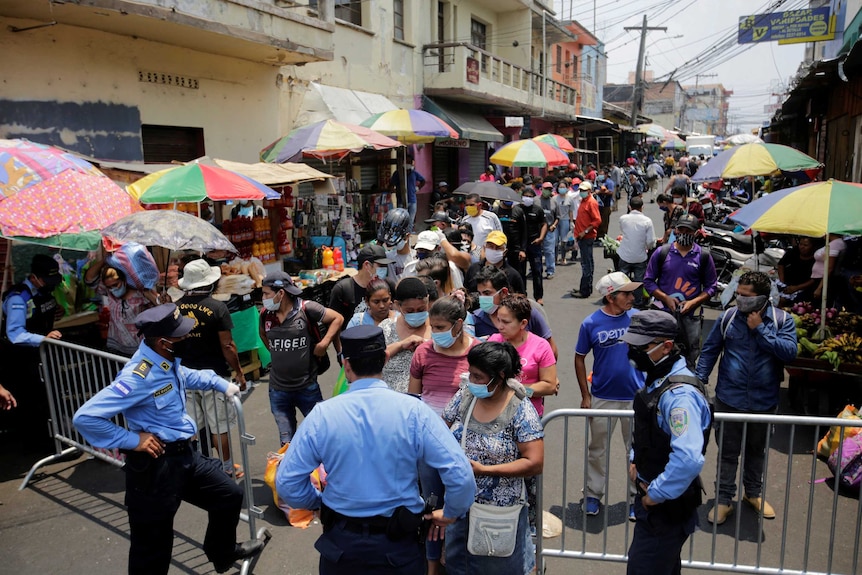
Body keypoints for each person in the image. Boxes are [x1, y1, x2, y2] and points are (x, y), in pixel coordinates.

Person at [72, 304, 262, 575]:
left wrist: (220, 383)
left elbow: (184, 375)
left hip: (185, 456)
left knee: (228, 494)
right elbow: (85, 417)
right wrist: (130, 439)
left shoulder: (167, 360)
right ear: (163, 342)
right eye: (180, 336)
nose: (186, 339)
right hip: (155, 467)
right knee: (153, 546)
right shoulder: (138, 376)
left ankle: (222, 553)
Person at [275, 325, 476, 575]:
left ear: (346, 365)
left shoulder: (322, 416)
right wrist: (450, 512)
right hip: (399, 548)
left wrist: (317, 502)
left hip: (341, 546)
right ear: (385, 358)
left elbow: (286, 482)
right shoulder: (414, 411)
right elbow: (461, 474)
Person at [697, 271, 797, 525]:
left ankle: (753, 494)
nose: (740, 300)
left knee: (756, 450)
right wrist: (699, 382)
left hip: (764, 402)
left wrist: (761, 329)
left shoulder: (782, 320)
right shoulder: (728, 318)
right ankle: (723, 500)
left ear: (763, 298)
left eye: (747, 296)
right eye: (738, 294)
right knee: (728, 452)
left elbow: (789, 353)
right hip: (729, 400)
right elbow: (709, 351)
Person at [442, 341, 544, 575]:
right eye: (471, 373)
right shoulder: (465, 395)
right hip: (460, 506)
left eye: (478, 376)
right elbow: (441, 428)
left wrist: (485, 470)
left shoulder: (520, 409)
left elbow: (535, 461)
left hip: (498, 516)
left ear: (498, 376)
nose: (472, 381)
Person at [622, 310, 712, 575]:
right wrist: (634, 460)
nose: (633, 351)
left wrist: (655, 495)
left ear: (667, 347)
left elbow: (689, 458)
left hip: (664, 509)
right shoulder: (659, 379)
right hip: (659, 503)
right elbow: (649, 431)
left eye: (641, 346)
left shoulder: (680, 397)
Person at [408, 295, 477, 573]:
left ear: (459, 324)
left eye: (440, 327)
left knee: (462, 509)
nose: (434, 333)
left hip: (467, 447)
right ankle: (433, 565)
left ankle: (461, 562)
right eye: (432, 327)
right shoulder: (423, 353)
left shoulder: (478, 352)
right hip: (428, 450)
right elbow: (413, 399)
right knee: (432, 509)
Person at [575, 272, 646, 518]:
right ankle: (593, 495)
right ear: (611, 296)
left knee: (637, 450)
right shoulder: (591, 323)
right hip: (603, 396)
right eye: (626, 293)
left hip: (636, 398)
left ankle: (635, 497)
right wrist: (586, 395)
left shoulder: (638, 318)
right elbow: (579, 357)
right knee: (597, 449)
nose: (632, 297)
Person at [173, 259, 246, 477]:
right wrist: (239, 372)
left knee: (192, 426)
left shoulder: (176, 308)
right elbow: (228, 346)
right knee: (219, 426)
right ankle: (226, 466)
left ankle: (194, 466)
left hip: (185, 374)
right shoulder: (217, 308)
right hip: (214, 376)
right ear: (209, 282)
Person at [260, 272, 343, 445]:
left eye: (267, 293)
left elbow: (337, 318)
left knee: (320, 435)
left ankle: (323, 471)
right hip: (278, 390)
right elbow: (264, 336)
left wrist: (324, 343)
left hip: (307, 388)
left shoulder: (306, 309)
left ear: (280, 293)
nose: (264, 298)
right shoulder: (265, 315)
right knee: (286, 441)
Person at [0, 254, 63, 450]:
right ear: (34, 277)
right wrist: (43, 339)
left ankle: (54, 436)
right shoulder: (19, 297)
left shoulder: (44, 291)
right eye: (47, 280)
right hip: (22, 359)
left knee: (48, 396)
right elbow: (15, 334)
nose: (51, 284)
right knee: (32, 401)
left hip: (41, 355)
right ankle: (38, 444)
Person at [644, 214, 717, 368]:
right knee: (658, 354)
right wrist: (665, 298)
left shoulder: (703, 256)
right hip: (663, 314)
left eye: (689, 231)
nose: (684, 233)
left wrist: (693, 302)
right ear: (675, 230)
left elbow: (712, 287)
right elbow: (648, 282)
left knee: (689, 357)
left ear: (697, 232)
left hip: (690, 317)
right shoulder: (662, 253)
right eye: (681, 229)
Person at [488, 294, 557, 418]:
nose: (500, 326)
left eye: (506, 322)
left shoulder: (541, 346)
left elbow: (550, 386)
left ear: (523, 323)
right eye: (498, 320)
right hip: (496, 413)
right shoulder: (493, 341)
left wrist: (522, 390)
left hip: (528, 415)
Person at [84, 247, 160, 356]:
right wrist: (104, 260)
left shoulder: (141, 292)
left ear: (124, 280)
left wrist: (147, 292)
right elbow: (89, 279)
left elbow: (161, 307)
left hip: (142, 350)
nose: (113, 289)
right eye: (109, 286)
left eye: (116, 285)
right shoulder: (110, 294)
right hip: (117, 349)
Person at [471, 266, 558, 356]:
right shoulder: (475, 319)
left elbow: (551, 350)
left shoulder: (527, 311)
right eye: (480, 294)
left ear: (504, 292)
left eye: (487, 293)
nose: (482, 298)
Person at [380, 277, 430, 393]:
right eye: (410, 311)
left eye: (421, 309)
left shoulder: (438, 328)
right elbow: (373, 361)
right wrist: (401, 345)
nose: (416, 314)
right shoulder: (386, 328)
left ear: (427, 300)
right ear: (398, 305)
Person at [329, 244, 394, 326]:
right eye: (381, 266)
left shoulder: (387, 285)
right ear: (367, 265)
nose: (385, 269)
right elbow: (333, 321)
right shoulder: (344, 289)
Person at [617, 196, 656, 308]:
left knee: (623, 280)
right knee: (639, 281)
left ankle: (621, 300)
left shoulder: (623, 218)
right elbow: (651, 241)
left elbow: (623, 231)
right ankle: (637, 302)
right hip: (640, 256)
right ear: (642, 208)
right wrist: (647, 247)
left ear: (630, 207)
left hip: (624, 255)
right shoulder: (647, 221)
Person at [572, 181, 602, 299]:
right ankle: (585, 287)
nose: (581, 192)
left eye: (584, 190)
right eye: (580, 190)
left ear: (589, 191)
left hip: (586, 237)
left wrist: (584, 232)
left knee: (586, 264)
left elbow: (597, 221)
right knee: (586, 263)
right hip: (581, 236)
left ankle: (585, 290)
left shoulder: (591, 202)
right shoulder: (583, 201)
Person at [520, 187, 548, 305]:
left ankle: (538, 296)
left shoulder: (538, 210)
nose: (528, 198)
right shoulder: (518, 210)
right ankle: (522, 294)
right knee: (521, 272)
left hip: (534, 244)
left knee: (537, 271)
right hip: (521, 245)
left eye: (531, 197)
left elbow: (544, 224)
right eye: (526, 196)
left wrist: (541, 238)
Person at [493, 183, 527, 276]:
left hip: (515, 249)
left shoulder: (518, 211)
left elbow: (524, 232)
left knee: (518, 273)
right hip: (500, 248)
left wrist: (522, 250)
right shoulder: (495, 211)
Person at [390, 153, 426, 230]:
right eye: (407, 162)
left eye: (409, 162)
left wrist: (418, 188)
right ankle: (401, 234)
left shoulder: (414, 173)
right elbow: (391, 185)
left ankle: (408, 234)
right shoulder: (398, 173)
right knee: (401, 220)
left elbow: (423, 181)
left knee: (410, 220)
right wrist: (396, 190)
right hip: (401, 201)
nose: (408, 164)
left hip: (412, 200)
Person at [777, 236, 817, 304]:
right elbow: (781, 264)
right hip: (787, 284)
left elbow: (815, 279)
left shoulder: (816, 258)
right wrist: (782, 282)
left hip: (804, 288)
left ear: (812, 246)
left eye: (805, 245)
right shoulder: (794, 251)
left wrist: (796, 288)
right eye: (801, 244)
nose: (802, 247)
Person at [378, 207, 415, 280]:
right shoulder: (386, 258)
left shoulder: (416, 259)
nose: (389, 246)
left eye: (394, 243)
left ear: (407, 237)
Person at [812, 233, 846, 305]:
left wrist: (820, 288)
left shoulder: (836, 244)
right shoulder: (833, 243)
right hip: (819, 278)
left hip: (824, 280)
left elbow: (829, 267)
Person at [555, 182, 574, 265]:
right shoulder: (554, 198)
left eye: (563, 187)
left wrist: (571, 222)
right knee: (555, 240)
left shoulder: (570, 199)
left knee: (564, 240)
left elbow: (571, 211)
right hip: (556, 220)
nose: (562, 188)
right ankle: (555, 258)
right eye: (560, 187)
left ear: (567, 188)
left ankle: (563, 258)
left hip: (565, 220)